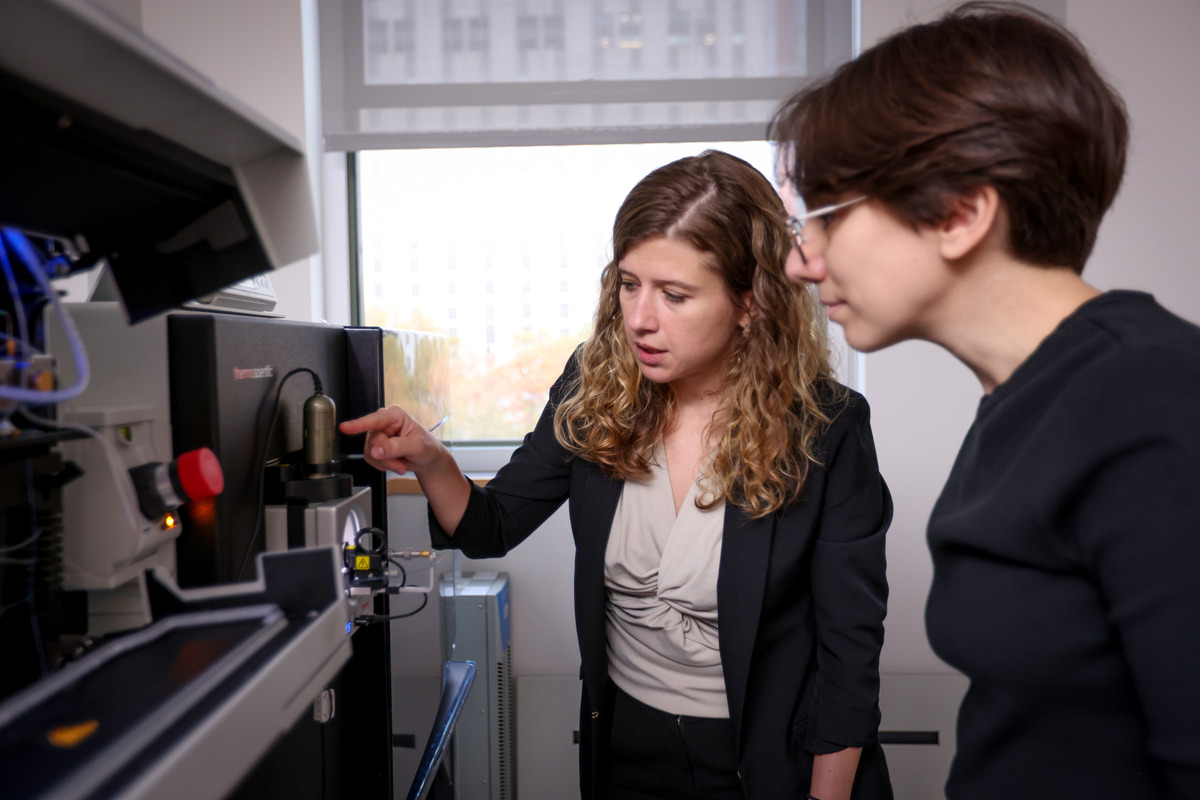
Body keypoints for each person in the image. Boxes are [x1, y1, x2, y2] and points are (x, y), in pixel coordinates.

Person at [340, 150, 893, 800]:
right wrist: (431, 459)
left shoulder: (827, 428)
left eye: (675, 295)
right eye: (630, 284)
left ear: (751, 303)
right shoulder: (593, 386)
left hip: (773, 761)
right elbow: (488, 527)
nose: (639, 319)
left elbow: (848, 660)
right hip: (627, 748)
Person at [769, 3, 1200, 799]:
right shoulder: (1027, 402)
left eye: (823, 219)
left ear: (961, 212)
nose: (802, 263)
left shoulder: (1153, 408)